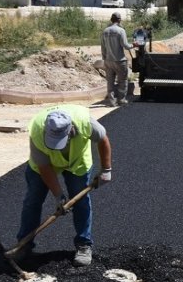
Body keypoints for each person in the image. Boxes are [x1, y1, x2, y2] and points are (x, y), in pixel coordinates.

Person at [18, 105, 113, 267]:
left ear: (70, 131)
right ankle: (23, 245)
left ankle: (84, 245)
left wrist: (106, 169)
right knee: (32, 201)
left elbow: (103, 140)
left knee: (81, 202)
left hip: (77, 162)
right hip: (44, 165)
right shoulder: (37, 130)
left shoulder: (85, 123)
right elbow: (44, 167)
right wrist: (58, 195)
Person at [100, 12, 132, 106]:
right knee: (122, 80)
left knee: (110, 81)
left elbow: (103, 47)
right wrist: (133, 45)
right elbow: (125, 45)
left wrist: (104, 59)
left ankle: (112, 101)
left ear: (111, 20)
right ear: (119, 20)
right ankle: (121, 100)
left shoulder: (105, 31)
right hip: (120, 60)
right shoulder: (121, 31)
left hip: (108, 61)